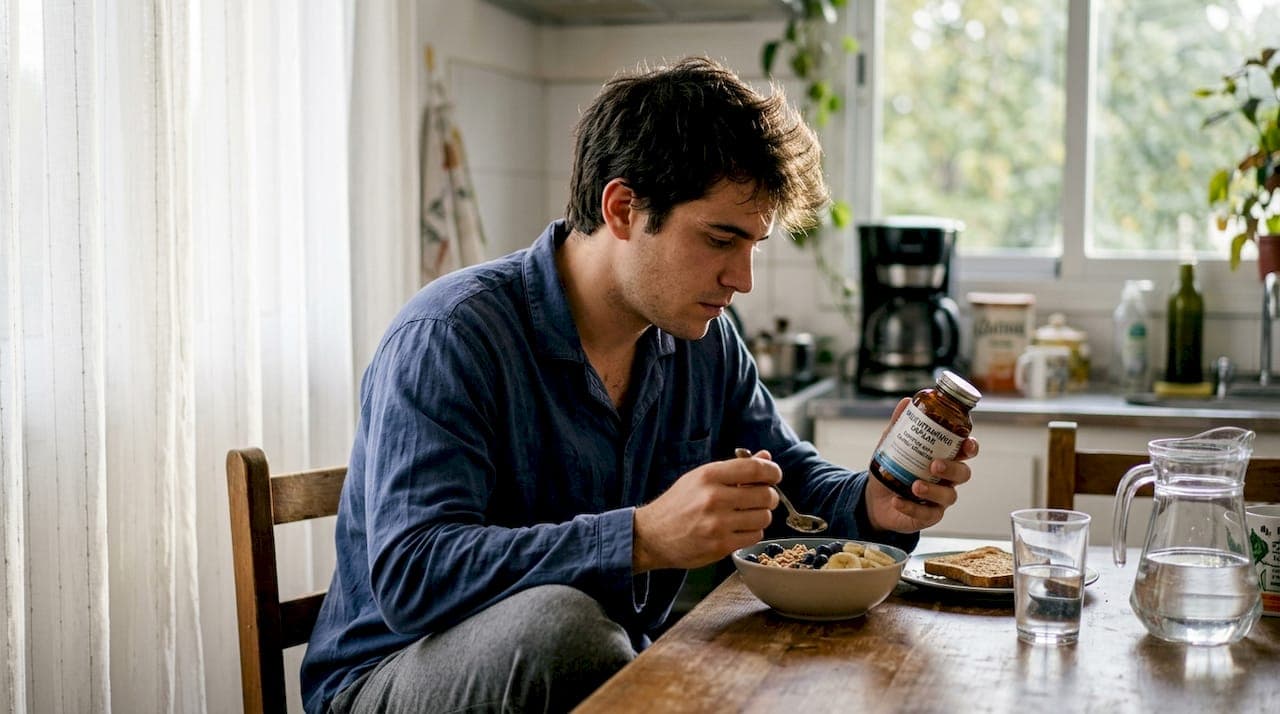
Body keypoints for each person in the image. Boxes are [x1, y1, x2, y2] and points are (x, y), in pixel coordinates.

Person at [300, 56, 978, 714]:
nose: (742, 279)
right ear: (623, 208)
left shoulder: (704, 342)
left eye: (753, 246)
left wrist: (874, 504)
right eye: (720, 240)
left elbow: (787, 485)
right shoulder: (450, 335)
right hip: (393, 674)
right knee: (566, 632)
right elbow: (413, 574)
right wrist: (642, 537)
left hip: (613, 661)